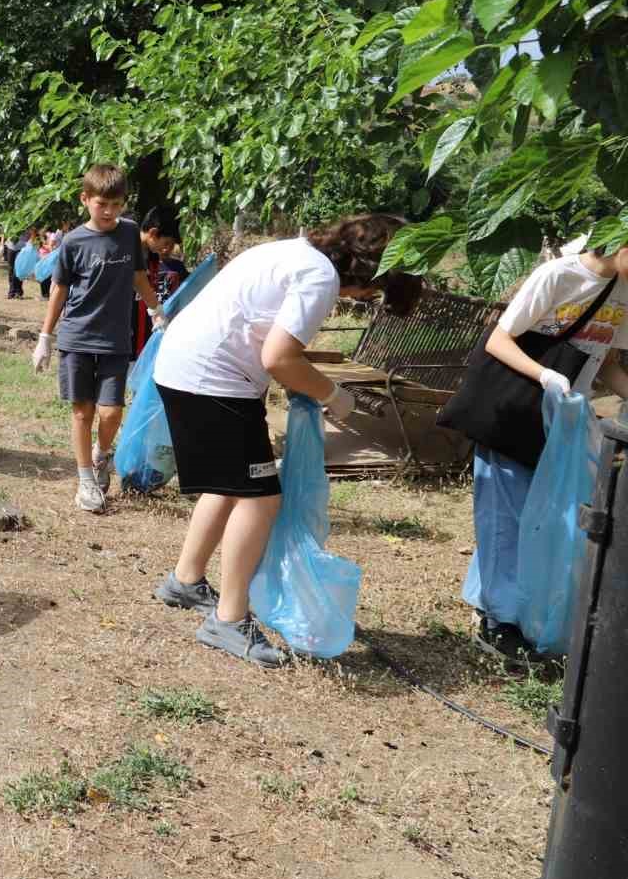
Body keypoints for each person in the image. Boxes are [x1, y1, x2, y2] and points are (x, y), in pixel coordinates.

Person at [148, 215, 422, 667]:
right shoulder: (319, 277)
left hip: (188, 367)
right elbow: (277, 357)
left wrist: (308, 382)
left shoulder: (295, 253)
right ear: (371, 269)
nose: (366, 299)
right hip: (213, 380)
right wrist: (333, 395)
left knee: (229, 484)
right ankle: (229, 619)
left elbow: (273, 342)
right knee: (259, 499)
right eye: (376, 290)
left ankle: (185, 580)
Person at [461, 238, 628, 658]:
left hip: (564, 423)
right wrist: (545, 376)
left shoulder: (623, 290)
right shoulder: (559, 275)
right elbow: (499, 340)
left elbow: (605, 363)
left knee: (549, 519)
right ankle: (498, 623)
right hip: (514, 411)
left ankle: (519, 610)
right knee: (505, 515)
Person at [31, 166, 164, 513]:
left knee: (111, 412)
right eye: (102, 203)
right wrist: (46, 335)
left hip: (115, 341)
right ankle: (86, 481)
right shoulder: (74, 241)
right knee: (82, 412)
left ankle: (100, 454)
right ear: (85, 199)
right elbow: (59, 288)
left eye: (116, 204)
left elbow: (138, 276)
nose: (109, 212)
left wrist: (156, 311)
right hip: (77, 336)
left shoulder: (130, 233)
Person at [132, 207, 189, 354]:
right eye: (166, 242)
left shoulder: (152, 258)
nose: (166, 248)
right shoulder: (126, 251)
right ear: (153, 233)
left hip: (141, 338)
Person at [3, 227, 31, 300]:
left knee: (18, 270)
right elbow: (5, 232)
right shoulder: (11, 221)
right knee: (11, 270)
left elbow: (30, 234)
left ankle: (16, 292)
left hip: (22, 248)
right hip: (11, 247)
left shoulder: (27, 222)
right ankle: (13, 291)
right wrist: (3, 245)